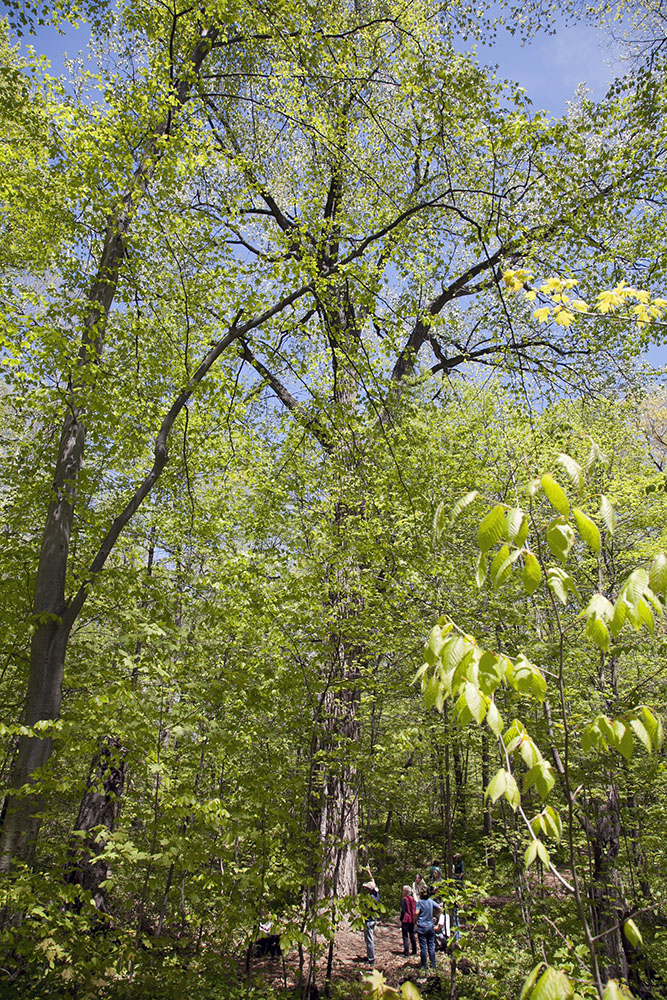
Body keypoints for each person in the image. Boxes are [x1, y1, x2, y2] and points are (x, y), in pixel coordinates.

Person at [415, 888, 439, 972]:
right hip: (430, 926)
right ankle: (433, 965)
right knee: (431, 946)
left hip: (422, 926)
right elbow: (439, 907)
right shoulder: (431, 901)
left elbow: (416, 912)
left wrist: (415, 919)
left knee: (423, 947)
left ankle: (424, 966)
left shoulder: (419, 902)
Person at [362, 871, 379, 967]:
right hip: (373, 919)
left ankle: (371, 959)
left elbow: (367, 909)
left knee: (369, 939)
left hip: (369, 920)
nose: (366, 889)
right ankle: (369, 956)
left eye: (367, 888)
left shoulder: (371, 898)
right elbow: (373, 881)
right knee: (369, 938)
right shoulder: (376, 893)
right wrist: (369, 872)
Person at [400, 885, 417, 957]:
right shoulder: (413, 899)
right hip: (412, 919)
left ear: (406, 892)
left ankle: (406, 952)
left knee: (405, 936)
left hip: (406, 919)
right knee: (412, 935)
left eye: (403, 890)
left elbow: (403, 911)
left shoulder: (404, 899)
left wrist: (401, 918)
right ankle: (414, 951)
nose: (402, 892)